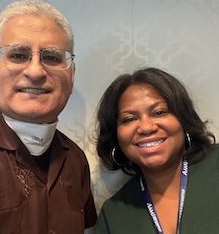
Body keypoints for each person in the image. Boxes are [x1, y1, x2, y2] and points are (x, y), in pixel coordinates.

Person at [0, 0, 97, 234]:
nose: (36, 71)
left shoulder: (76, 161)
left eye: (51, 57)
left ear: (71, 76)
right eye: (18, 55)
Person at [93, 67, 219, 234]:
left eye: (159, 112)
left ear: (183, 119)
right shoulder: (114, 214)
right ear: (116, 135)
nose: (146, 127)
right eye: (129, 119)